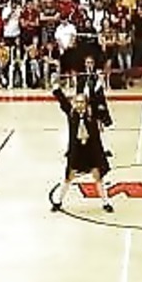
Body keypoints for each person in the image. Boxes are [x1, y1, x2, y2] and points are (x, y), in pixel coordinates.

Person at [50, 78, 113, 213]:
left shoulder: (92, 113)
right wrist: (56, 87)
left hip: (91, 150)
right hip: (77, 151)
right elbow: (62, 101)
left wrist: (98, 85)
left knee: (98, 176)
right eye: (77, 102)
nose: (79, 104)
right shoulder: (71, 113)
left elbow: (97, 100)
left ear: (86, 103)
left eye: (82, 102)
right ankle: (58, 201)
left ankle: (106, 202)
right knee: (69, 176)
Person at [76, 56, 114, 157]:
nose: (89, 65)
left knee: (99, 129)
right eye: (87, 63)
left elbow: (100, 93)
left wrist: (101, 105)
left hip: (96, 106)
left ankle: (101, 149)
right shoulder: (81, 77)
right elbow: (79, 92)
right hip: (84, 106)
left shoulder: (97, 77)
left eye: (91, 63)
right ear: (85, 64)